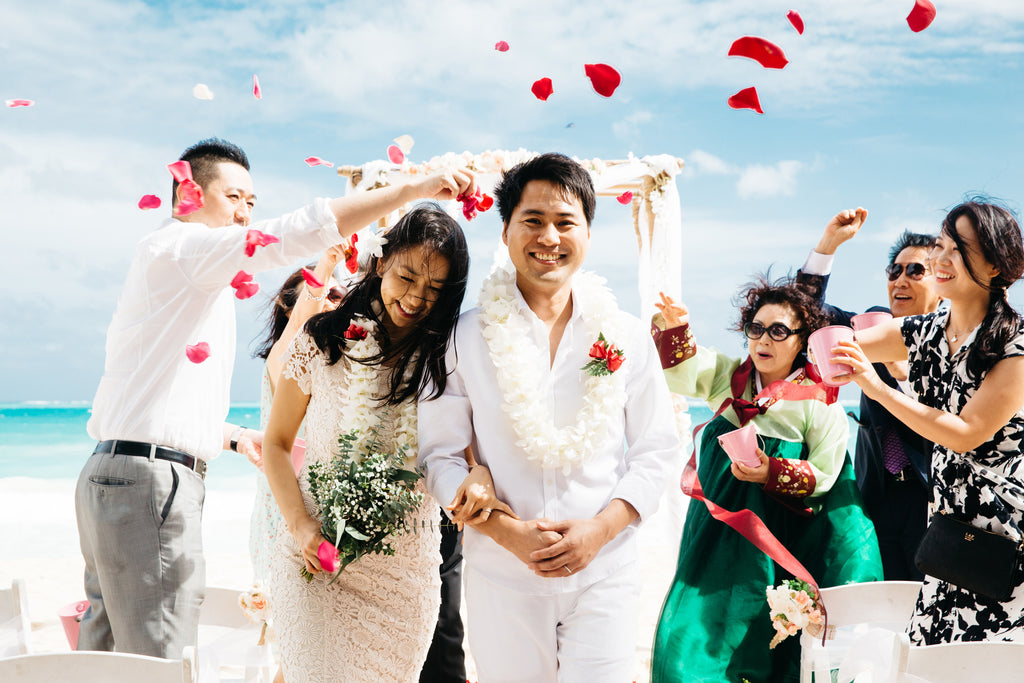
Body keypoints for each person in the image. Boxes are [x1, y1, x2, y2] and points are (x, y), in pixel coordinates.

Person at [75, 137, 472, 659]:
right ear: (187, 192)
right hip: (150, 485)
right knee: (158, 660)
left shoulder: (178, 280)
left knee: (100, 658)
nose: (245, 215)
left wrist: (238, 439)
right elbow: (290, 234)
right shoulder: (181, 249)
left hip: (112, 474)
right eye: (234, 198)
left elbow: (151, 403)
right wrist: (416, 188)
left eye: (252, 203)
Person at [417, 153, 680, 682]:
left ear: (587, 231)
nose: (549, 237)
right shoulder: (463, 336)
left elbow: (657, 450)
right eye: (532, 221)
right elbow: (438, 455)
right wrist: (507, 531)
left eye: (565, 222)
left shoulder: (624, 334)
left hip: (605, 570)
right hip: (502, 573)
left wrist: (600, 530)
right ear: (507, 229)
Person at [261, 204, 508, 682]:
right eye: (407, 277)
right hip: (317, 554)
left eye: (435, 289)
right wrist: (302, 527)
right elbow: (275, 443)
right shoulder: (322, 341)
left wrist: (480, 474)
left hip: (403, 577)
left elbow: (471, 451)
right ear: (379, 262)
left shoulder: (448, 358)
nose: (416, 297)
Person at [650, 278, 882, 682]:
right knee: (688, 631)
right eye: (756, 328)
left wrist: (770, 472)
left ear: (804, 341)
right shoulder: (728, 377)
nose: (764, 339)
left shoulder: (817, 399)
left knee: (758, 630)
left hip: (776, 538)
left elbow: (827, 473)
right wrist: (675, 328)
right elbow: (682, 372)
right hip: (715, 533)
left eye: (778, 331)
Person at [832, 199, 1024, 644]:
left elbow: (966, 434)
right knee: (929, 659)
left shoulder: (1015, 345)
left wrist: (879, 389)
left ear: (994, 266)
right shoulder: (924, 331)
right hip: (948, 534)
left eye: (958, 249)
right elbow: (840, 342)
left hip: (1007, 537)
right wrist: (814, 352)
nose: (941, 258)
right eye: (941, 244)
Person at [796, 209, 941, 580]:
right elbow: (804, 313)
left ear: (943, 281)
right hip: (876, 495)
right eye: (894, 271)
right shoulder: (872, 328)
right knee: (882, 609)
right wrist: (827, 246)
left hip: (934, 502)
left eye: (914, 271)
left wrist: (903, 375)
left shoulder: (953, 342)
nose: (900, 280)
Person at [250, 250, 348, 586]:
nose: (336, 303)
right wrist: (329, 261)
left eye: (342, 297)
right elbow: (304, 317)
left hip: (322, 502)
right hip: (288, 506)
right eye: (329, 295)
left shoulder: (332, 362)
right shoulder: (284, 352)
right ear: (289, 306)